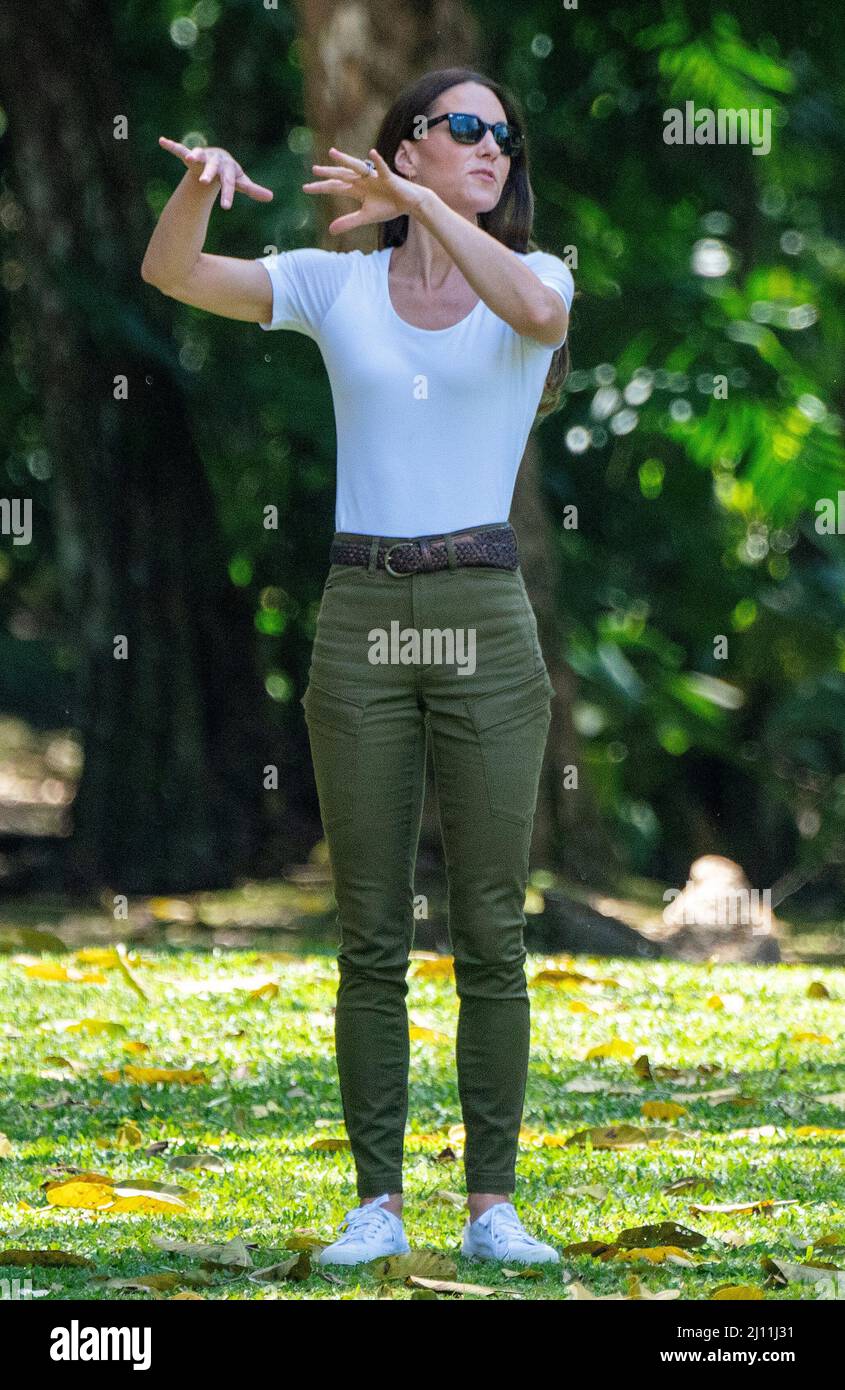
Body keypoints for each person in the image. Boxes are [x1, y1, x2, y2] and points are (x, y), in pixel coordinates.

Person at [141, 66, 574, 1268]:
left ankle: (491, 1205)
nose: (491, 148)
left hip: (483, 606)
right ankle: (374, 1199)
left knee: (489, 925)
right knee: (370, 929)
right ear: (405, 147)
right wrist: (199, 190)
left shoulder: (535, 278)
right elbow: (173, 276)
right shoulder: (339, 285)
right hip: (363, 611)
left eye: (503, 136)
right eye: (463, 130)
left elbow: (537, 325)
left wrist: (427, 211)